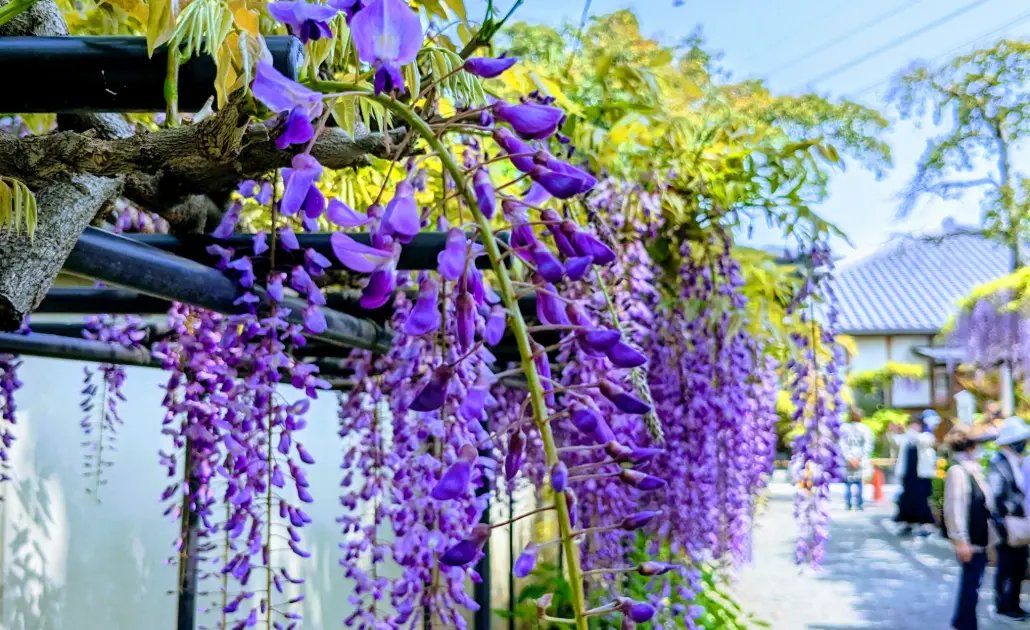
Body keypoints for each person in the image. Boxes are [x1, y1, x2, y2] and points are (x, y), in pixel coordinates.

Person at [944, 425, 996, 630]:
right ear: (969, 447)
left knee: (973, 584)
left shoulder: (973, 469)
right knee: (971, 584)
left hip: (979, 537)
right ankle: (965, 624)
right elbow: (954, 508)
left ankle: (963, 622)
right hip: (970, 540)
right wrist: (960, 540)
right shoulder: (958, 471)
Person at [988, 416, 1030, 621]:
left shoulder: (1016, 461)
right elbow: (996, 495)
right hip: (1006, 522)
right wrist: (1005, 514)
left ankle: (1014, 603)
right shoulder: (999, 462)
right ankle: (1003, 605)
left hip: (1018, 521)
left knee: (1018, 564)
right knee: (1007, 565)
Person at [891, 416, 937, 535]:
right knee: (907, 499)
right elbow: (896, 441)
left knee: (921, 500)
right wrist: (895, 431)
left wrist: (909, 432)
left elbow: (921, 440)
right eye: (911, 424)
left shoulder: (926, 436)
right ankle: (908, 523)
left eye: (915, 424)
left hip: (921, 476)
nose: (913, 427)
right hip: (908, 475)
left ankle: (926, 524)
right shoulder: (906, 438)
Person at [839, 408, 874, 510]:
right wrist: (859, 458)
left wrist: (849, 457)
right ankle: (859, 504)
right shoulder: (865, 429)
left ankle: (848, 504)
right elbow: (868, 445)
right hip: (860, 459)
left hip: (848, 460)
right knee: (859, 482)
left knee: (848, 483)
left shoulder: (844, 428)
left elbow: (842, 444)